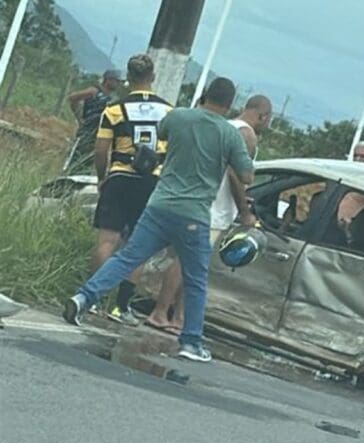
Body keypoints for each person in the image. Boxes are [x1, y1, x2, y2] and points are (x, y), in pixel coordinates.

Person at [64, 77, 256, 363]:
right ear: (230, 104)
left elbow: (163, 137)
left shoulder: (177, 117)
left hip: (159, 204)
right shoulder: (229, 135)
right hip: (194, 214)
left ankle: (83, 299)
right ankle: (191, 341)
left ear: (204, 94)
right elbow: (247, 175)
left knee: (127, 256)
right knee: (196, 279)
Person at [146, 95, 272, 333]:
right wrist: (245, 211)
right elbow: (237, 176)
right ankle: (162, 313)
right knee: (186, 262)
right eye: (268, 120)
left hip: (195, 200)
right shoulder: (246, 135)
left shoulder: (226, 126)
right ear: (263, 116)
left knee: (189, 262)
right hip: (214, 209)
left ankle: (178, 317)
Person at [90, 55, 174, 326]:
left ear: (128, 77)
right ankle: (119, 307)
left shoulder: (114, 109)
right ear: (152, 77)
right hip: (151, 182)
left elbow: (101, 150)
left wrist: (103, 177)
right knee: (137, 246)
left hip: (119, 177)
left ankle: (91, 300)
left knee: (107, 240)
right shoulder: (169, 112)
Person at [65, 69, 122, 173]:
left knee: (87, 165)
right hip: (86, 133)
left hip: (99, 136)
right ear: (108, 80)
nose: (118, 84)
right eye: (116, 81)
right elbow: (73, 98)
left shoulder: (113, 98)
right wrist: (80, 118)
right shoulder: (94, 91)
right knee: (74, 161)